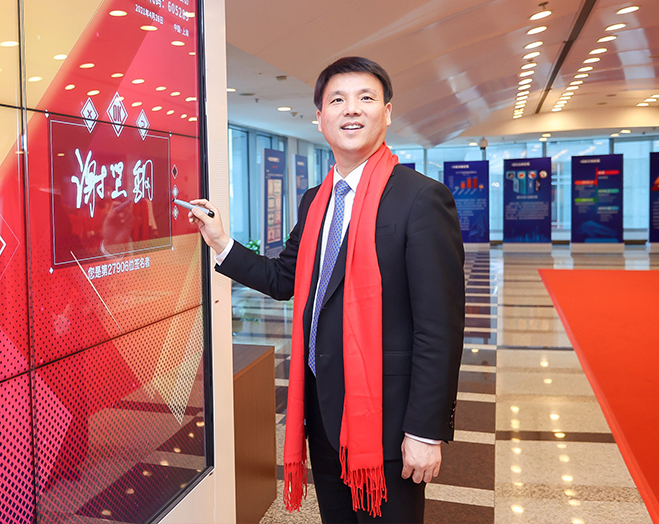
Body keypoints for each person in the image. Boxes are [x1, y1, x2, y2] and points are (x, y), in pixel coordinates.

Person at [186, 57, 464, 523]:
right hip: (322, 410)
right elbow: (284, 278)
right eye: (337, 100)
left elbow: (440, 327)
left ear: (387, 113)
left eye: (365, 98)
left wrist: (424, 430)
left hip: (387, 417)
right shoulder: (316, 200)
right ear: (320, 117)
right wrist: (221, 242)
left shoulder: (420, 198)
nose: (351, 109)